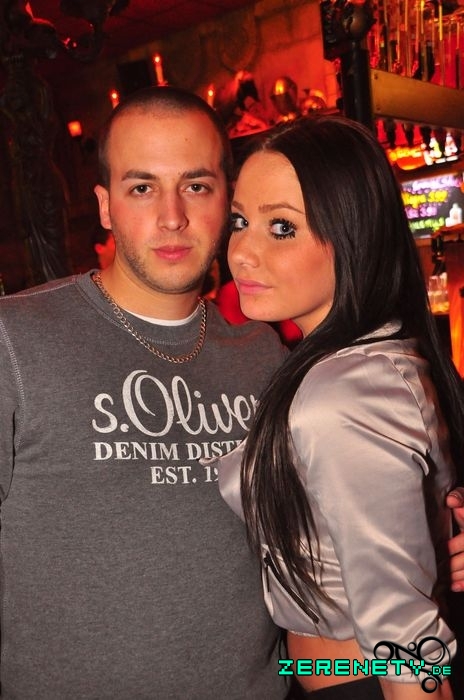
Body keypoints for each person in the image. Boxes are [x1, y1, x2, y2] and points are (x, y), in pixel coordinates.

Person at [0, 86, 288, 698]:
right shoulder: (15, 340)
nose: (172, 216)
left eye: (196, 185)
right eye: (141, 188)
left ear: (228, 200)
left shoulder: (262, 352)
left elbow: (321, 528)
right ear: (105, 206)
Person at [215, 114, 464, 699]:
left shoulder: (340, 394)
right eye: (241, 221)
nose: (242, 252)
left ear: (353, 237)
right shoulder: (365, 359)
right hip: (316, 676)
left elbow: (406, 642)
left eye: (282, 227)